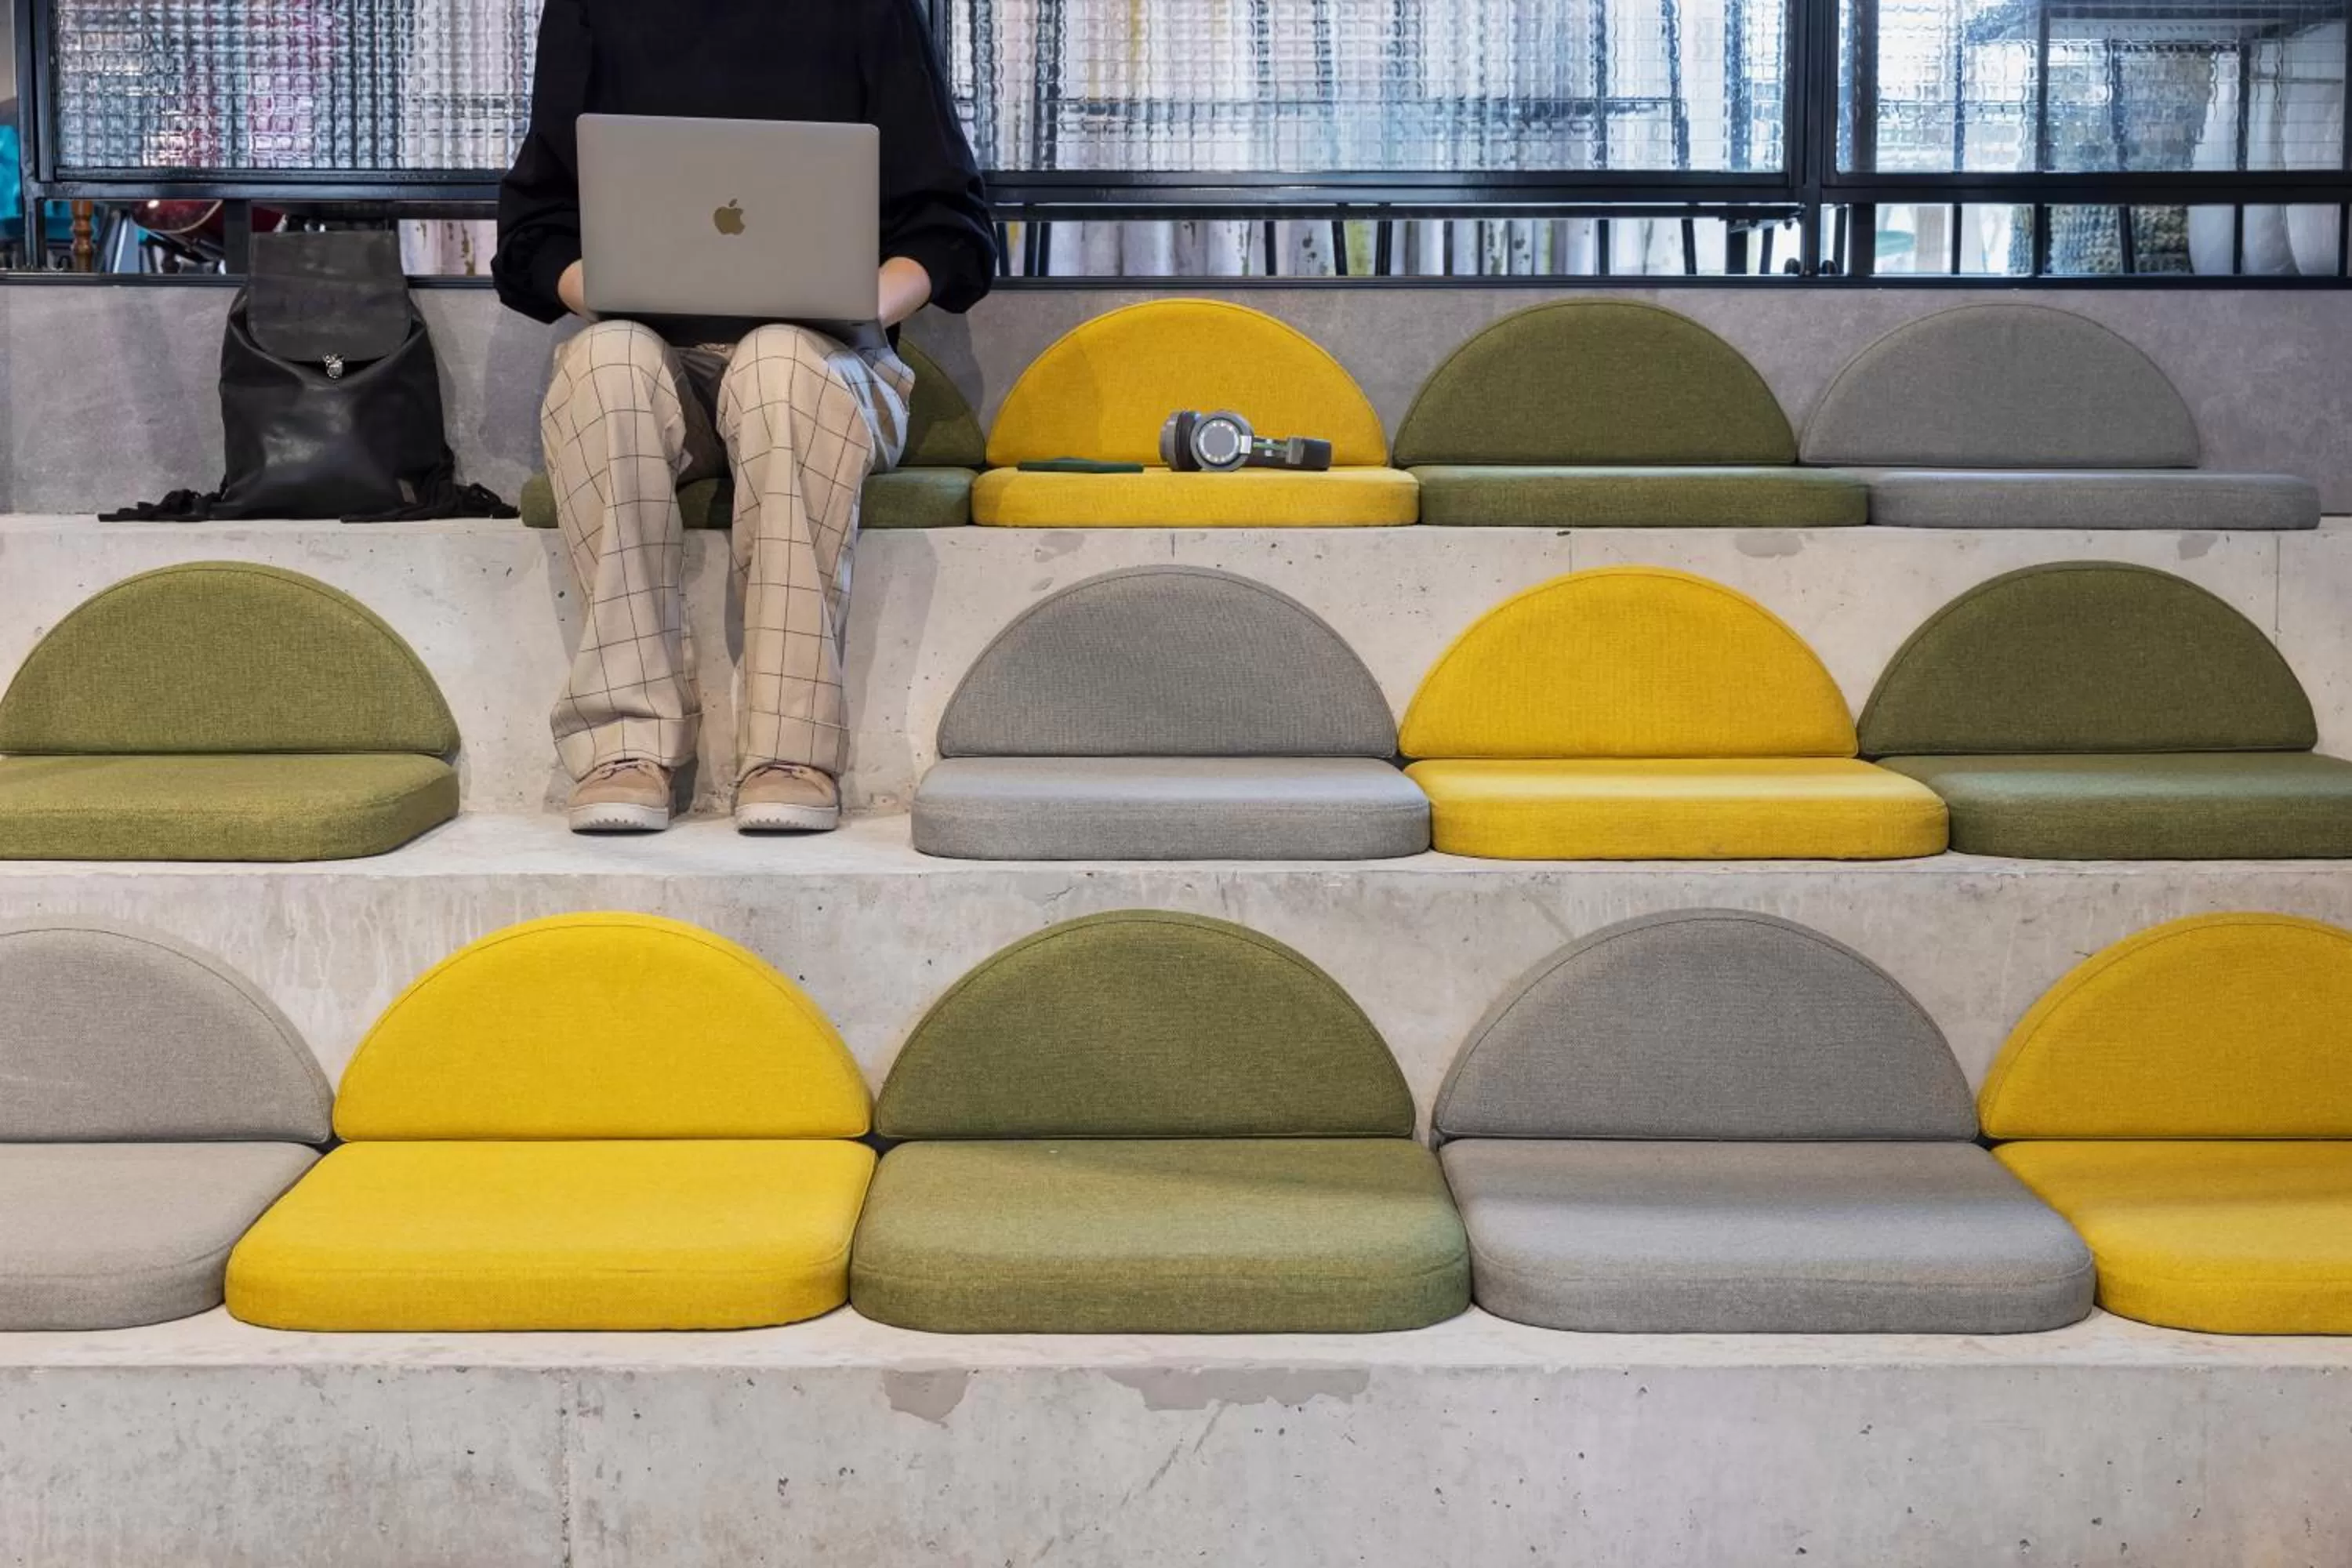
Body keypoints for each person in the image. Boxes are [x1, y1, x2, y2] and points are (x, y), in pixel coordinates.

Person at [493, 0, 994, 835]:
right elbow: (532, 238)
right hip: (653, 357)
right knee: (605, 364)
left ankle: (788, 754)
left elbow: (954, 233)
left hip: (825, 360)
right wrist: (615, 293)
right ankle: (626, 747)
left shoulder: (872, 12)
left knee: (776, 365)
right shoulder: (590, 11)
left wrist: (857, 300)